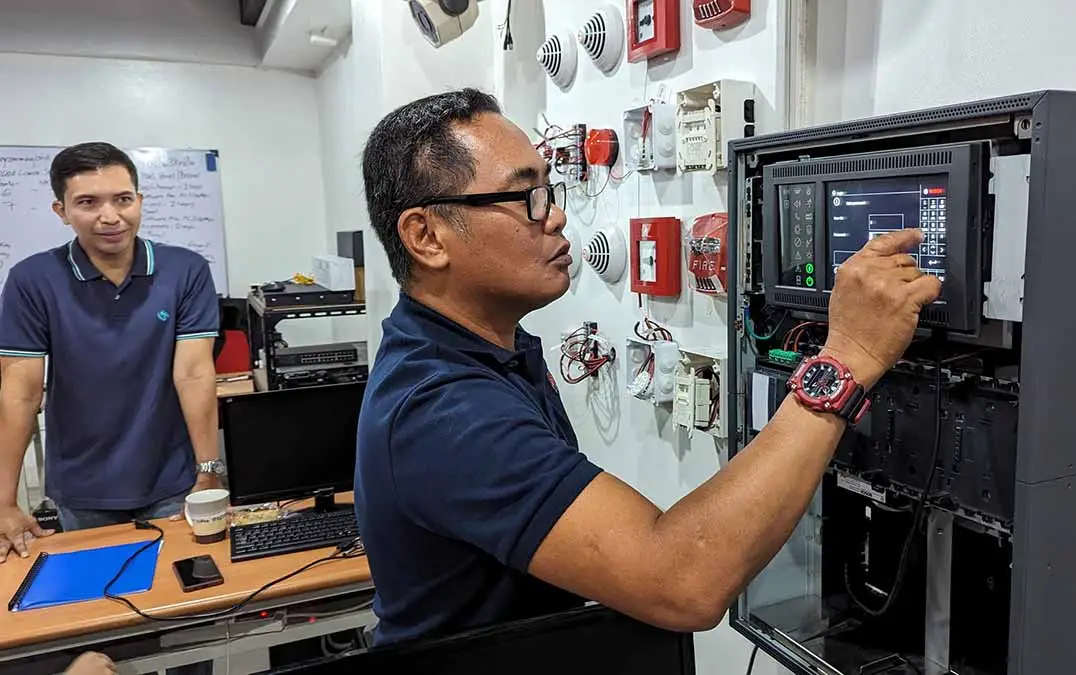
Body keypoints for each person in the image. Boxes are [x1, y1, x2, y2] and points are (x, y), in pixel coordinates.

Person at [354, 89, 941, 645]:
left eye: (550, 191)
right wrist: (847, 359)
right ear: (426, 236)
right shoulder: (443, 410)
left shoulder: (485, 355)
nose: (555, 217)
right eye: (525, 196)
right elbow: (682, 581)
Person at [0, 142, 223, 558]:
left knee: (184, 598)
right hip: (82, 488)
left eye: (122, 199)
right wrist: (4, 501)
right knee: (103, 603)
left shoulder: (186, 270)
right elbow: (20, 391)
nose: (110, 216)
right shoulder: (31, 280)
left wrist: (208, 470)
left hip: (171, 479)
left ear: (138, 201)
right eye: (88, 202)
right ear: (61, 211)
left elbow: (193, 374)